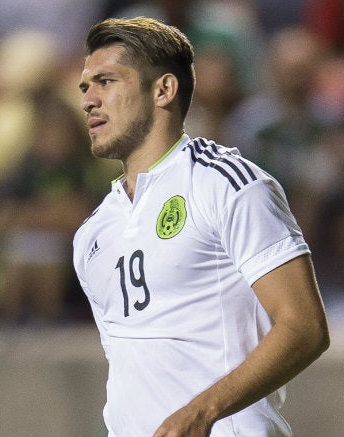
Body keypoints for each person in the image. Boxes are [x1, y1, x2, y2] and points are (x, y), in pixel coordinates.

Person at [72, 17, 330, 437]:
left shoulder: (227, 184)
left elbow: (304, 328)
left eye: (106, 81)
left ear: (163, 89)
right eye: (85, 87)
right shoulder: (93, 234)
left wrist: (203, 411)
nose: (88, 100)